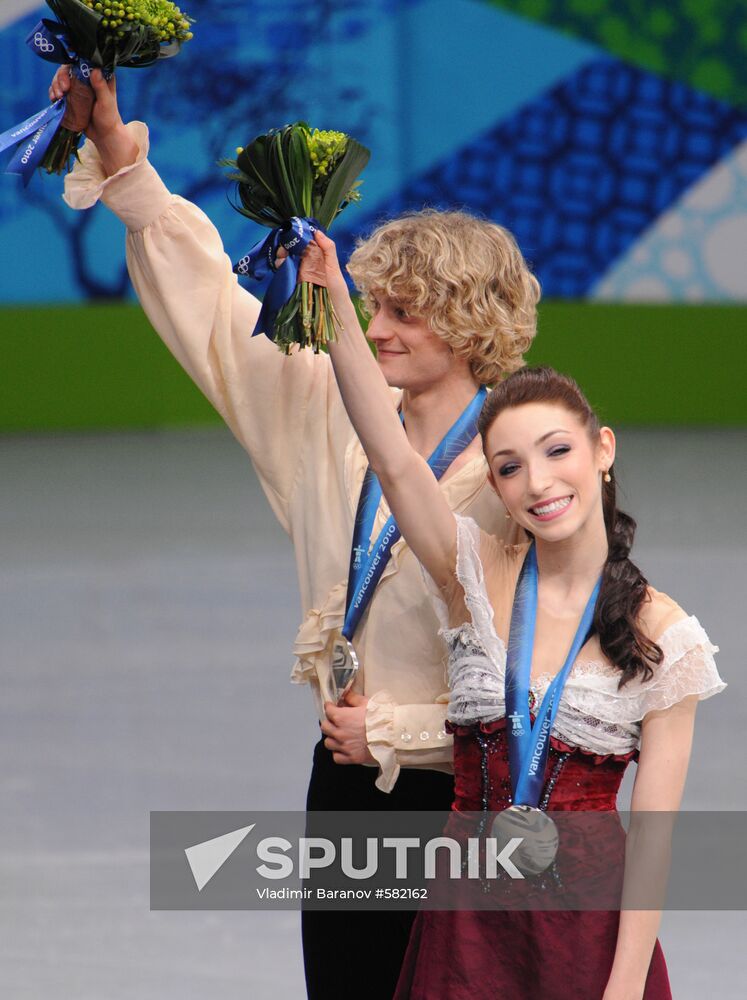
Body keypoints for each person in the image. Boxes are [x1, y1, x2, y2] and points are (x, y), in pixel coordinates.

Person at [50, 67, 540, 997]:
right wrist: (118, 152)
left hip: (467, 794)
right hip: (347, 778)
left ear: (470, 322)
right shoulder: (327, 409)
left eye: (404, 311)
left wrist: (397, 729)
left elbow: (540, 672)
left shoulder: (521, 460)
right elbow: (214, 316)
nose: (377, 326)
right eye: (374, 305)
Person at [313, 228, 726, 999]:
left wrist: (623, 987)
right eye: (509, 466)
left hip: (587, 936)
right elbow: (395, 457)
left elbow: (654, 846)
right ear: (493, 488)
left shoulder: (665, 637)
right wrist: (332, 293)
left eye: (556, 451)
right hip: (463, 927)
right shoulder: (470, 577)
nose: (538, 482)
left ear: (601, 450)